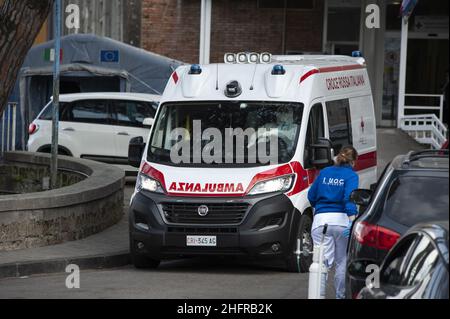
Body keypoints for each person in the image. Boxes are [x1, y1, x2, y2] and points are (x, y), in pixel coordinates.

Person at [307, 146, 359, 299]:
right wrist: (352, 221)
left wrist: (321, 209)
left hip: (320, 222)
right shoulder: (351, 175)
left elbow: (311, 195)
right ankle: (340, 296)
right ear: (353, 161)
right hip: (342, 222)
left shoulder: (324, 172)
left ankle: (318, 296)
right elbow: (349, 198)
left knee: (321, 263)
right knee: (342, 262)